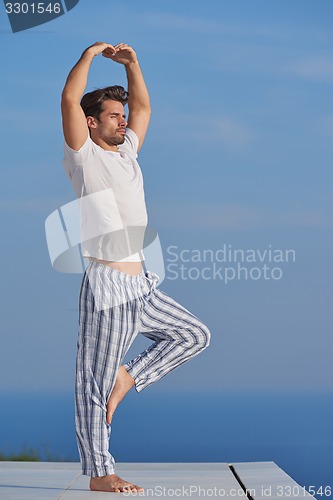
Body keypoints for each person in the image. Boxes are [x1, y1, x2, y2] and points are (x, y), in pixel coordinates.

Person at [61, 41, 211, 493]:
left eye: (122, 117)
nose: (122, 120)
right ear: (91, 122)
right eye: (113, 115)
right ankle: (100, 473)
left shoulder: (127, 151)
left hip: (142, 285)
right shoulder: (83, 156)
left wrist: (134, 66)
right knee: (92, 383)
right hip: (106, 287)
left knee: (194, 334)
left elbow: (143, 106)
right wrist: (89, 56)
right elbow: (69, 99)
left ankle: (129, 376)